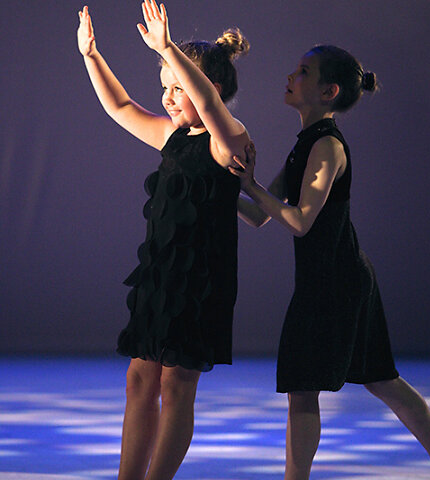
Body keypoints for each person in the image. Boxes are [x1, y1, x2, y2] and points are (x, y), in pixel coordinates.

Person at [229, 45, 430, 480]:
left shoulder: (326, 147)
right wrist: (219, 184)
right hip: (341, 277)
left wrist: (251, 185)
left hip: (334, 283)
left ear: (329, 92)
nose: (291, 76)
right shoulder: (305, 144)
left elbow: (300, 221)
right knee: (379, 378)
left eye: (303, 71)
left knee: (305, 387)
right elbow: (258, 214)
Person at [77, 2, 250, 479]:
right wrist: (92, 56)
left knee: (176, 387)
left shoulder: (228, 141)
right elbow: (120, 107)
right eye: (165, 87)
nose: (169, 98)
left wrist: (169, 48)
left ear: (209, 89)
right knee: (139, 379)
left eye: (178, 88)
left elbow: (209, 106)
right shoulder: (171, 137)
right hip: (160, 275)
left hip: (200, 283)